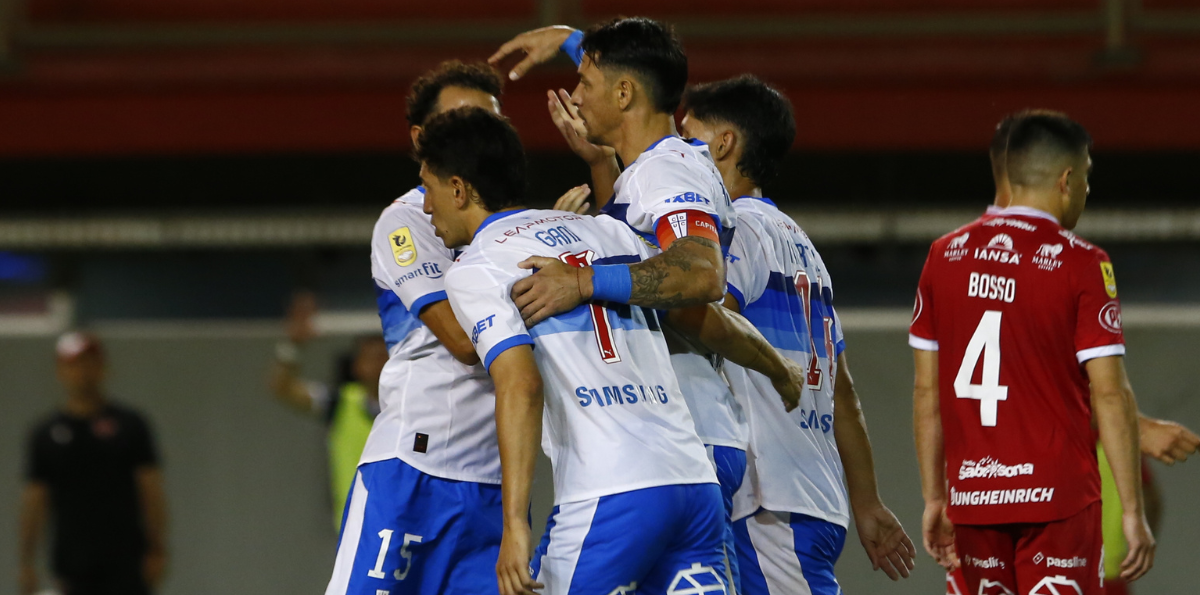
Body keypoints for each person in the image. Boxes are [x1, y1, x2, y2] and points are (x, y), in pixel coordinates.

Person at [491, 20, 800, 592]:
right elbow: (666, 282)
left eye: (585, 80)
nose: (576, 95)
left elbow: (699, 274)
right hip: (685, 444)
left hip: (670, 442)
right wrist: (567, 38)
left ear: (625, 94)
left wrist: (581, 281)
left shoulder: (667, 170)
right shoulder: (649, 172)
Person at [424, 105, 729, 595]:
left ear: (458, 190)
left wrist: (515, 525)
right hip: (693, 485)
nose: (425, 207)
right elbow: (699, 312)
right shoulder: (608, 230)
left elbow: (520, 385)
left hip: (610, 492)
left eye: (429, 188)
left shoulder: (477, 268)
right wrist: (776, 368)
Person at [939, 111, 1200, 595]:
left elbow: (939, 388)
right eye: (1084, 177)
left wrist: (936, 498)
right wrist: (1135, 498)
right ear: (1065, 179)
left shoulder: (948, 257)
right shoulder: (1076, 262)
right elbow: (1093, 389)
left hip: (975, 498)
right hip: (1052, 506)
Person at [678, 75, 917, 594]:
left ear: (723, 144)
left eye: (685, 136)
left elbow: (701, 316)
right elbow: (843, 391)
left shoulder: (736, 227)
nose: (675, 151)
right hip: (809, 491)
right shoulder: (804, 247)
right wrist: (868, 501)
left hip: (770, 497)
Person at [323, 61, 509, 595]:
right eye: (462, 120)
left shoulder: (518, 227)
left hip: (490, 481)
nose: (478, 136)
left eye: (490, 123)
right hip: (412, 470)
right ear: (421, 139)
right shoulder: (407, 220)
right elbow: (461, 340)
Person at [18, 332, 169, 595]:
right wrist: (26, 561)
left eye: (89, 363)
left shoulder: (130, 426)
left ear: (103, 368)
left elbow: (151, 491)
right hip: (73, 567)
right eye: (73, 364)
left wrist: (158, 547)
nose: (82, 372)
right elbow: (34, 501)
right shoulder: (46, 434)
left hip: (126, 565)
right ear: (60, 371)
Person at [268, 291, 390, 531]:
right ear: (357, 366)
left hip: (402, 525)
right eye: (372, 357)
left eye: (384, 356)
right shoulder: (340, 402)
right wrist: (291, 345)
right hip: (354, 529)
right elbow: (282, 387)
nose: (379, 363)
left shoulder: (410, 404)